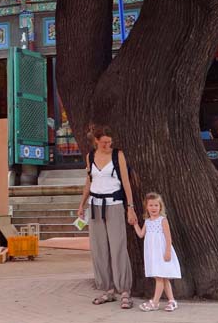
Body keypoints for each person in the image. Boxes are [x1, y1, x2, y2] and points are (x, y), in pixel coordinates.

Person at [77, 125, 136, 309]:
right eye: (104, 142)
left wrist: (130, 207)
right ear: (96, 141)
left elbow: (126, 182)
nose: (107, 145)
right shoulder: (91, 156)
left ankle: (124, 290)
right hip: (95, 205)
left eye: (110, 142)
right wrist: (81, 203)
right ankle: (107, 289)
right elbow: (89, 181)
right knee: (99, 248)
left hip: (114, 204)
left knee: (118, 246)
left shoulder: (118, 155)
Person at [133, 193, 181, 312]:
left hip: (162, 252)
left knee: (159, 277)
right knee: (163, 278)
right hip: (152, 253)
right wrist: (135, 224)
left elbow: (168, 237)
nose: (154, 208)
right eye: (151, 205)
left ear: (160, 207)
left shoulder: (162, 220)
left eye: (156, 205)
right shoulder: (147, 221)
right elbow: (140, 234)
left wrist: (168, 251)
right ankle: (172, 301)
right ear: (147, 207)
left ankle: (155, 302)